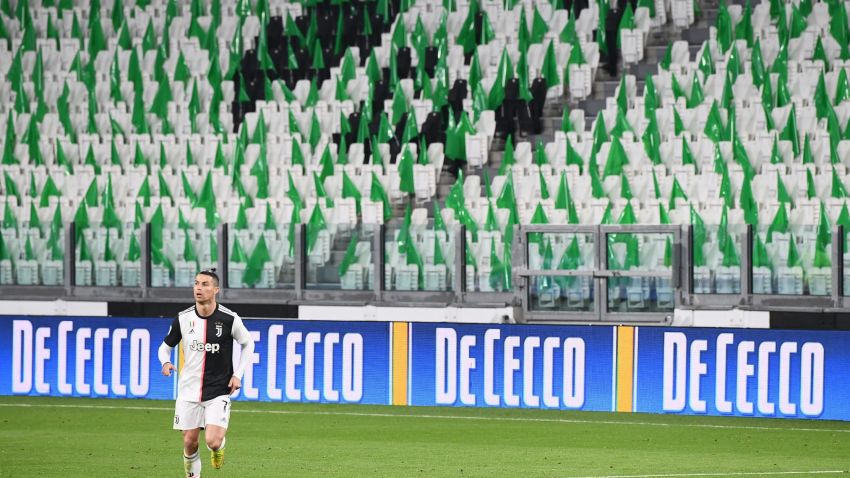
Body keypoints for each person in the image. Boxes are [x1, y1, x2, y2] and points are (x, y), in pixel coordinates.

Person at [158, 268, 255, 478]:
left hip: (218, 389)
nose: (198, 288)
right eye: (196, 283)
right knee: (189, 442)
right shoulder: (183, 319)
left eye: (204, 284)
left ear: (216, 289)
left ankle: (217, 449)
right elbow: (165, 347)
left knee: (212, 441)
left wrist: (238, 374)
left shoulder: (230, 319)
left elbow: (248, 344)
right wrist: (165, 362)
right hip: (188, 390)